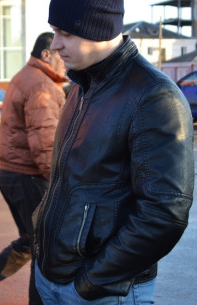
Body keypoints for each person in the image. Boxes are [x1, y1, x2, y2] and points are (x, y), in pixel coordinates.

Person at [33, 0, 194, 304]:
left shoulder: (154, 96)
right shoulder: (83, 85)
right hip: (55, 277)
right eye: (54, 32)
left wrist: (91, 281)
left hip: (102, 290)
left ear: (98, 29)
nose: (55, 44)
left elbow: (164, 212)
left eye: (65, 33)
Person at [0, 32, 67, 305]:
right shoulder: (41, 84)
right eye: (59, 51)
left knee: (31, 242)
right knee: (44, 249)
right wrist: (59, 182)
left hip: (15, 173)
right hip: (29, 175)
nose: (64, 58)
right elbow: (45, 137)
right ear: (46, 54)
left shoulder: (28, 76)